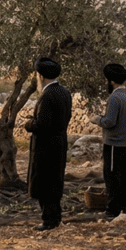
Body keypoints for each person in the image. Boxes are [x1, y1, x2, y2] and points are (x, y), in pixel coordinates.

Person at [24, 57, 73, 231]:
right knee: (55, 180)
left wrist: (28, 124)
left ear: (41, 76)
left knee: (44, 181)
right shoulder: (65, 93)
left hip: (45, 146)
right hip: (60, 143)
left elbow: (42, 124)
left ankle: (49, 220)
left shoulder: (46, 95)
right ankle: (55, 217)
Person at [91, 63, 126, 219]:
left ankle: (112, 210)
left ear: (111, 81)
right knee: (123, 175)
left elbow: (109, 122)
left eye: (106, 80)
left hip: (113, 144)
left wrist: (97, 119)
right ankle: (124, 207)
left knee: (111, 176)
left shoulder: (114, 97)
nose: (106, 82)